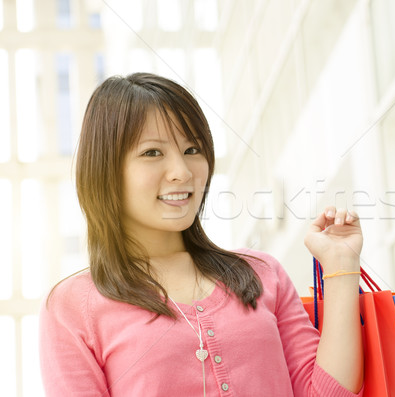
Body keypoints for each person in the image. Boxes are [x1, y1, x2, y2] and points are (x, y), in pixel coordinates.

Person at [39, 72, 364, 396]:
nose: (182, 172)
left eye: (192, 149)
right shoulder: (72, 307)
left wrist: (340, 268)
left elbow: (328, 394)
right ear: (106, 169)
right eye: (152, 152)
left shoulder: (262, 273)